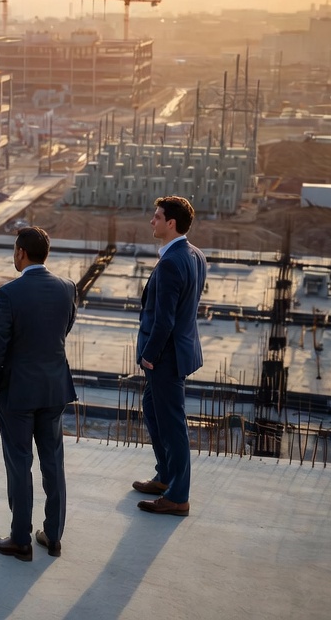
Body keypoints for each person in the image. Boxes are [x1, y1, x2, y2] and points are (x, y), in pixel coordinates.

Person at [0, 227, 77, 561]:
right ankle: (53, 536)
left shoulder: (9, 294)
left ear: (21, 252)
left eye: (13, 250)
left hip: (18, 392)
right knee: (53, 462)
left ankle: (20, 538)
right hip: (54, 388)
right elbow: (64, 329)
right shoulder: (68, 288)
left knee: (20, 463)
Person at [133, 195, 206, 516]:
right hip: (178, 352)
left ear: (171, 223)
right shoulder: (195, 255)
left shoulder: (172, 262)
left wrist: (149, 356)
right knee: (151, 408)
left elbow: (166, 319)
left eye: (157, 216)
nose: (152, 221)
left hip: (164, 357)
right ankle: (165, 476)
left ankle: (178, 496)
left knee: (174, 425)